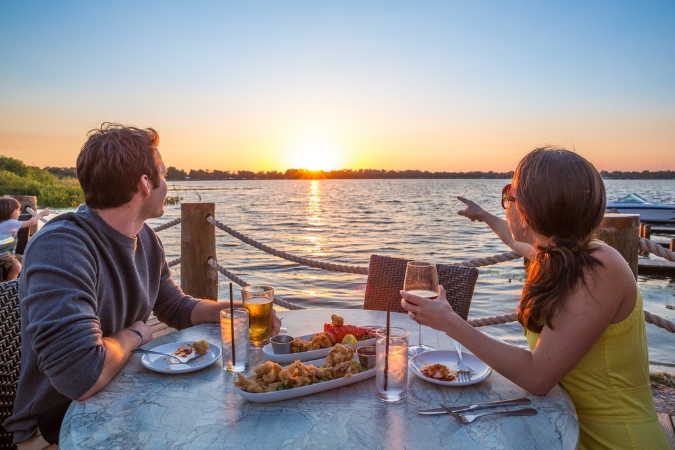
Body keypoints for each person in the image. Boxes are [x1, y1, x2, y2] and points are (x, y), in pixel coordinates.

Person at [3, 123, 281, 449]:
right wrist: (133, 335)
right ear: (145, 184)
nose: (167, 183)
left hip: (124, 402)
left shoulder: (146, 240)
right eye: (163, 174)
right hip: (56, 427)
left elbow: (175, 307)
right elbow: (81, 375)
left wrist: (234, 311)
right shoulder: (62, 247)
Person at [401, 147, 670, 449]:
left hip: (615, 441)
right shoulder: (556, 255)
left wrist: (449, 322)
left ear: (530, 211)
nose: (505, 204)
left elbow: (538, 375)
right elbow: (512, 236)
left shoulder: (600, 267)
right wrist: (483, 215)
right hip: (564, 431)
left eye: (509, 195)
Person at [0, 197, 50, 280]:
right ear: (9, 211)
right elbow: (31, 222)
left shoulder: (4, 223)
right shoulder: (10, 223)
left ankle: (22, 280)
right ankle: (10, 285)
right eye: (17, 209)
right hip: (2, 256)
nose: (20, 212)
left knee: (26, 259)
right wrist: (41, 214)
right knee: (16, 266)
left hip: (8, 254)